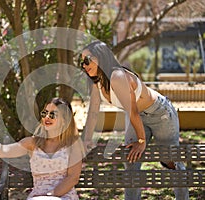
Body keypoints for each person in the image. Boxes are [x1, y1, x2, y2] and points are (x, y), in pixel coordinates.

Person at [79, 40, 189, 200]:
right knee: (131, 161)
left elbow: (133, 110)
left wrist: (142, 140)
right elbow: (93, 113)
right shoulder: (97, 84)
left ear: (101, 58)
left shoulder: (117, 76)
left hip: (160, 114)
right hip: (136, 116)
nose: (84, 65)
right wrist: (86, 140)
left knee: (170, 160)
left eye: (88, 60)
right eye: (82, 62)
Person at [0, 97, 84, 200]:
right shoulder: (32, 143)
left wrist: (49, 196)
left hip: (64, 197)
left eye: (52, 114)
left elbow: (72, 178)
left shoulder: (73, 145)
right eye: (45, 113)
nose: (46, 117)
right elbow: (4, 151)